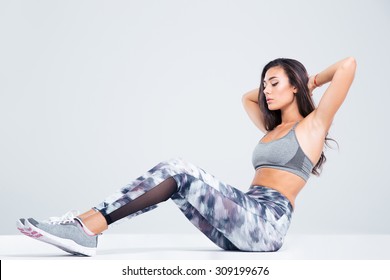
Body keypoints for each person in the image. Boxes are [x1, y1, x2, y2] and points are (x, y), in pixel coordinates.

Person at [17, 57, 356, 256]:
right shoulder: (270, 130)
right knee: (177, 182)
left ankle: (87, 227)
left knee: (177, 168)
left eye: (273, 83)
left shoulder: (313, 126)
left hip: (266, 223)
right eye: (264, 84)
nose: (265, 91)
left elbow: (347, 66)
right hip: (240, 224)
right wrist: (278, 84)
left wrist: (309, 82)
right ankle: (86, 225)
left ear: (293, 85)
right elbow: (246, 98)